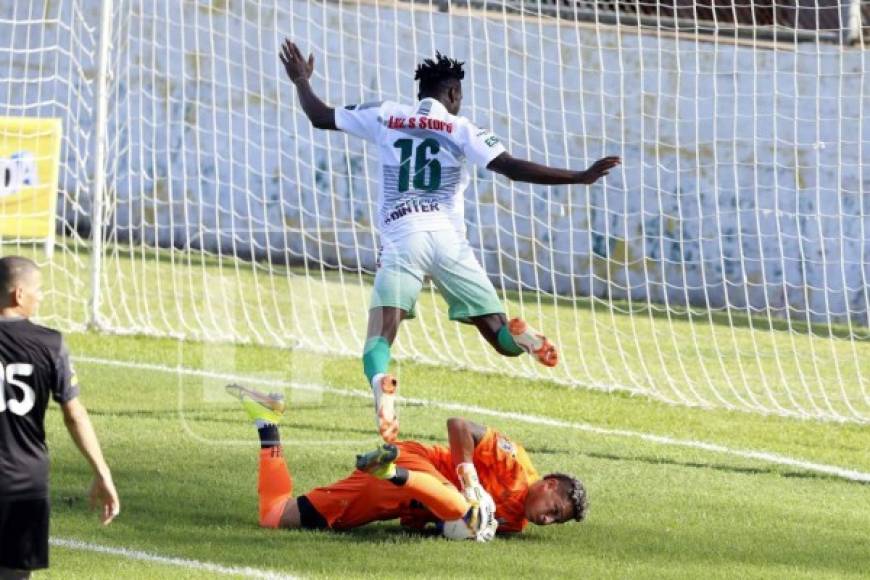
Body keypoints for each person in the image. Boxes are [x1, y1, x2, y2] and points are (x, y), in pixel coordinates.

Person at [279, 40, 621, 443]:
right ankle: (524, 337)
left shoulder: (386, 114)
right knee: (500, 338)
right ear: (453, 94)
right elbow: (512, 168)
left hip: (403, 238)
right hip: (449, 242)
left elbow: (320, 116)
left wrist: (302, 80)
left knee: (379, 338)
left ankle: (381, 388)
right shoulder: (463, 129)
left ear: (420, 92)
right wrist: (578, 176)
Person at [227, 383, 587, 541]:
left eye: (555, 520)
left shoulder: (513, 524)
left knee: (276, 515)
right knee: (467, 508)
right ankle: (391, 471)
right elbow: (459, 425)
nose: (546, 518)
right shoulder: (516, 465)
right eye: (553, 509)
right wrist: (468, 476)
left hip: (398, 497)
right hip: (415, 463)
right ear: (549, 484)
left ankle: (266, 420)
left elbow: (439, 526)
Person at [0, 256, 119, 579]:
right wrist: (102, 473)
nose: (42, 297)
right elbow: (74, 415)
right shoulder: (50, 343)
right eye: (38, 290)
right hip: (23, 482)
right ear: (19, 294)